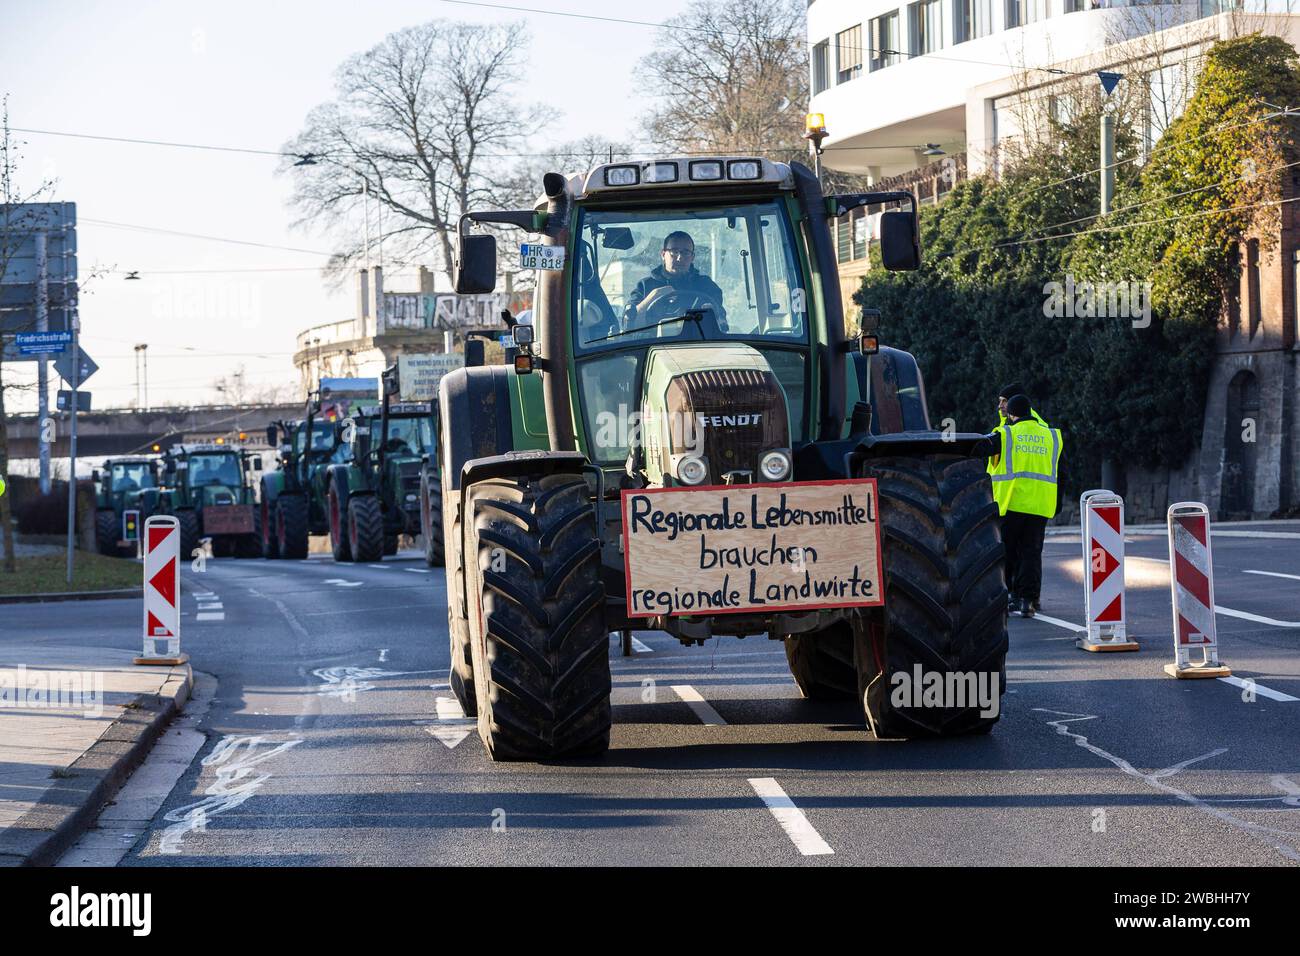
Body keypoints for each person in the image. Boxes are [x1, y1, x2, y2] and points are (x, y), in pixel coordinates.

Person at [985, 393, 1063, 619]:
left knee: (1007, 552)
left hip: (1012, 502)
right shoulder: (1051, 436)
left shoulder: (1005, 434)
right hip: (1040, 505)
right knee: (1031, 553)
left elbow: (983, 450)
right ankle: (1027, 601)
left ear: (1011, 413)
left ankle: (1006, 597)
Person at [623, 230, 726, 330]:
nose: (679, 258)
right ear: (663, 254)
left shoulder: (707, 286)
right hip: (651, 344)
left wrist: (713, 313)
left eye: (685, 253)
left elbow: (721, 322)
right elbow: (628, 323)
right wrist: (652, 297)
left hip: (696, 344)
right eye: (674, 252)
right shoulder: (644, 286)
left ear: (692, 257)